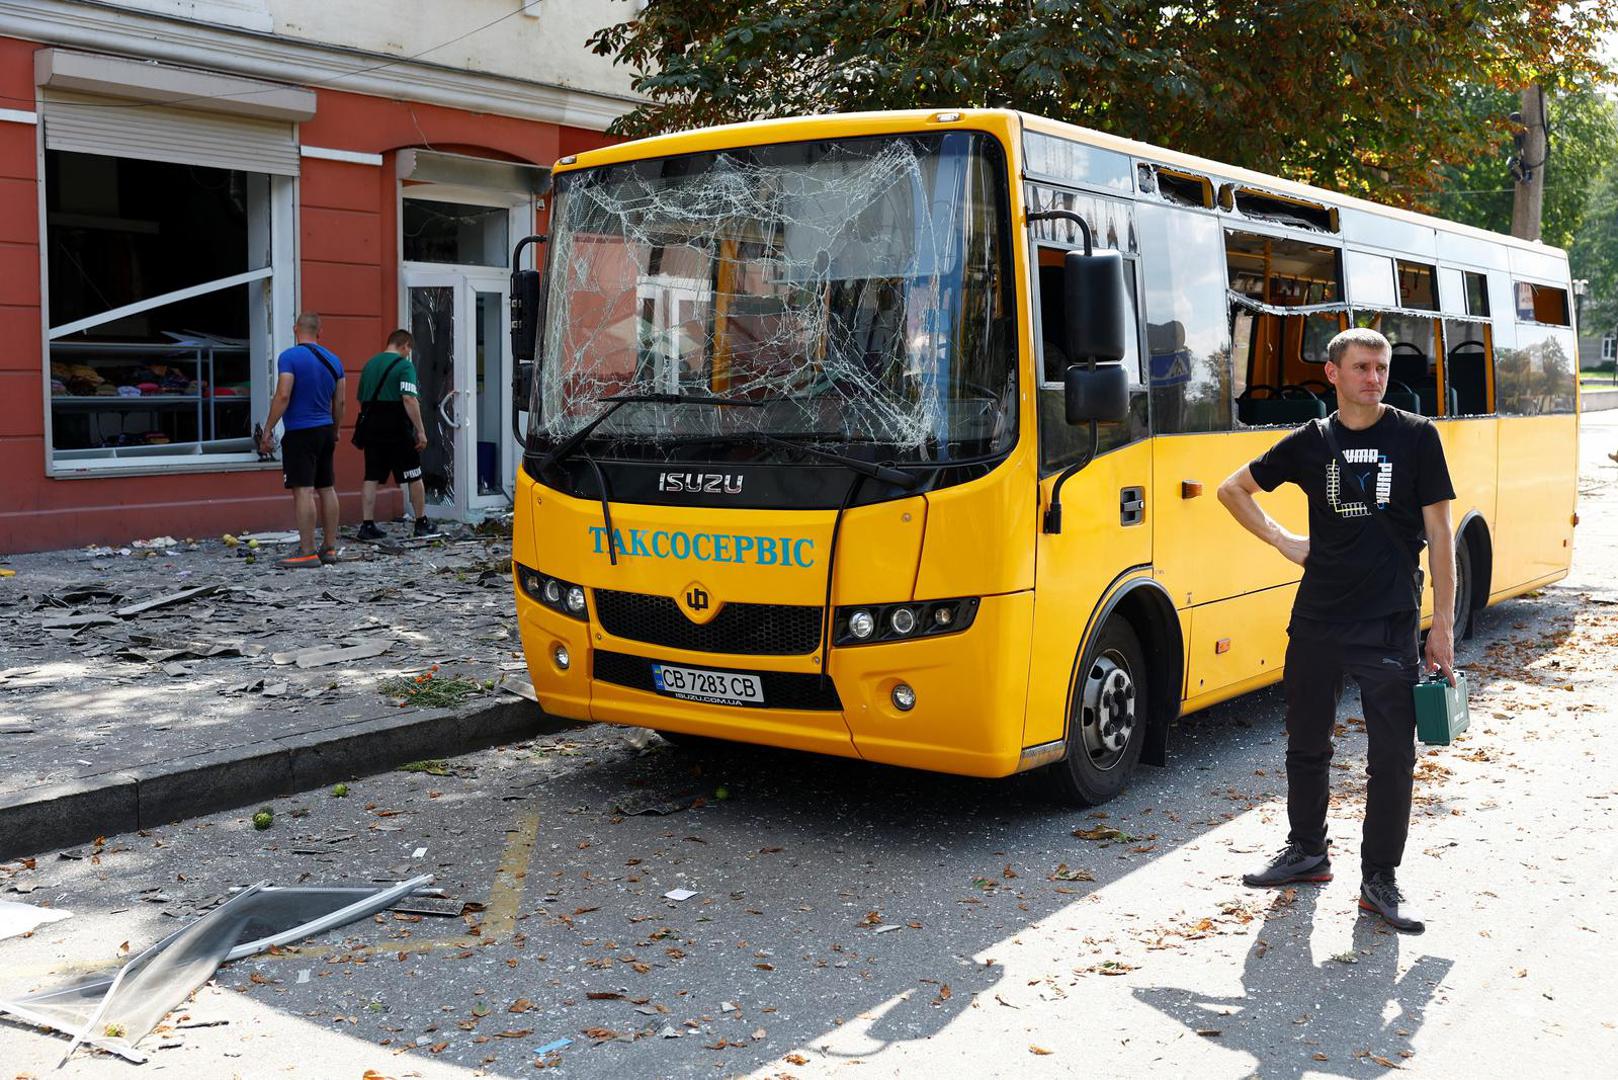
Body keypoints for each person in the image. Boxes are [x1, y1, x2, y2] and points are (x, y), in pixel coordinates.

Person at [1216, 327, 1456, 934]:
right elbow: (1231, 489)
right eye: (1362, 367)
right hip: (1319, 614)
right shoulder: (1309, 442)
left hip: (1389, 619)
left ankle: (1379, 879)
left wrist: (1443, 624)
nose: (1374, 377)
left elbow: (1441, 535)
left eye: (1380, 367)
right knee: (1306, 743)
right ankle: (1307, 853)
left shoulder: (1416, 437)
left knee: (1392, 758)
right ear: (1333, 374)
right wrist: (1282, 539)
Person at [260, 313, 346, 569]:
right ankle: (329, 547)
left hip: (300, 431)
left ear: (295, 328)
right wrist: (336, 429)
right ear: (320, 331)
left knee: (304, 490)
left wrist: (268, 428)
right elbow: (340, 401)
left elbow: (283, 394)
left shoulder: (289, 357)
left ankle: (307, 551)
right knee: (327, 487)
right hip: (325, 429)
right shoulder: (335, 360)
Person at [355, 329, 432, 540]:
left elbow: (361, 397)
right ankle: (421, 521)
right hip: (396, 424)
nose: (409, 354)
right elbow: (409, 398)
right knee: (413, 474)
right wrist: (421, 430)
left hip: (371, 424)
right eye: (409, 349)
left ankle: (367, 524)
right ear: (405, 345)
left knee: (371, 475)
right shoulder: (405, 366)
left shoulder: (369, 365)